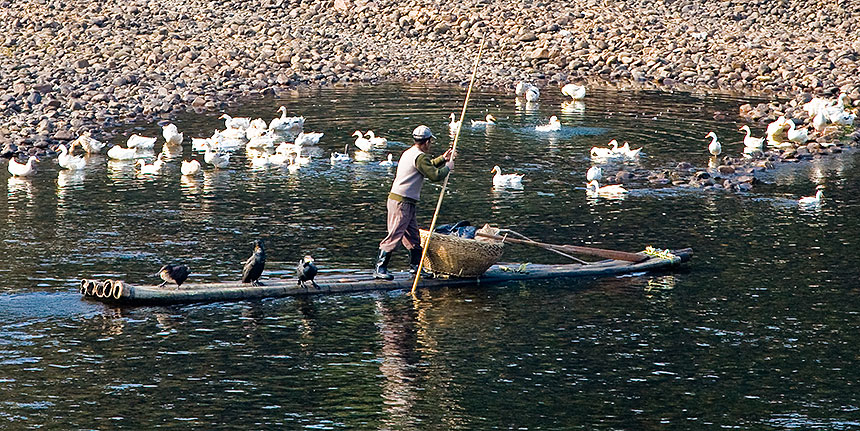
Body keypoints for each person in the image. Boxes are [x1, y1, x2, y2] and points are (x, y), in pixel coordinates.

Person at [374, 125, 456, 280]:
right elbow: (434, 175)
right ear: (426, 142)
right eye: (430, 142)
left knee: (413, 237)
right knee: (395, 234)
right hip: (401, 203)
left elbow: (426, 166)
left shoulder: (410, 153)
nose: (430, 145)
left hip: (404, 201)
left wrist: (442, 159)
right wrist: (448, 168)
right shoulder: (420, 157)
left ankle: (416, 268)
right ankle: (380, 268)